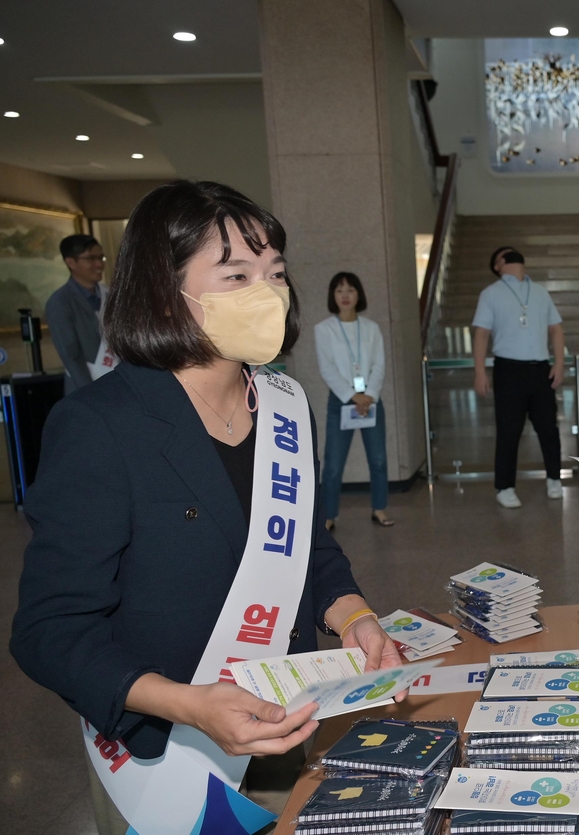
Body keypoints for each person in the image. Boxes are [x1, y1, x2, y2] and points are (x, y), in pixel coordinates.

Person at [10, 181, 402, 834]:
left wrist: (354, 614)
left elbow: (307, 548)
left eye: (275, 271)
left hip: (278, 729)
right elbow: (48, 631)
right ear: (166, 289)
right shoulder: (101, 424)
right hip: (161, 761)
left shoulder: (284, 406)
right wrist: (188, 704)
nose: (269, 291)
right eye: (238, 273)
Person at [472, 245, 566, 509]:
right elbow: (481, 333)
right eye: (505, 254)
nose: (512, 256)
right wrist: (479, 370)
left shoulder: (539, 291)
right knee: (509, 431)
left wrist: (559, 363)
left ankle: (554, 479)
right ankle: (505, 486)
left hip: (540, 369)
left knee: (548, 428)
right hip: (508, 370)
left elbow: (556, 329)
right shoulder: (490, 293)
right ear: (497, 265)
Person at [315, 271, 393, 529]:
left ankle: (379, 509)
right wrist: (353, 396)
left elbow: (379, 364)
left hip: (371, 400)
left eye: (350, 290)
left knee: (379, 459)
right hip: (341, 402)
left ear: (359, 293)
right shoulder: (323, 329)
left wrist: (368, 395)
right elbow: (327, 369)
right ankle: (329, 515)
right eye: (339, 290)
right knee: (334, 464)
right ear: (332, 296)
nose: (345, 295)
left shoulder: (371, 328)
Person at [44, 233, 114, 392]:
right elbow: (71, 356)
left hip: (118, 383)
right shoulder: (60, 302)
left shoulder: (110, 294)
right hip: (85, 388)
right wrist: (90, 394)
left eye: (101, 257)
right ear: (71, 262)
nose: (99, 264)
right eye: (91, 258)